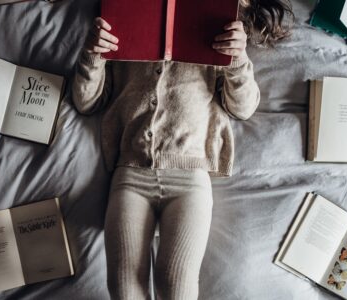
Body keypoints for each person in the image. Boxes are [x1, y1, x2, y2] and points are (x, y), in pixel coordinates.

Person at [72, 1, 293, 299]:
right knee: (124, 290)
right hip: (131, 175)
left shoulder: (215, 24)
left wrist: (238, 58)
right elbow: (87, 102)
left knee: (176, 288)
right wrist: (92, 54)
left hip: (189, 178)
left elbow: (242, 108)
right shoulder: (128, 15)